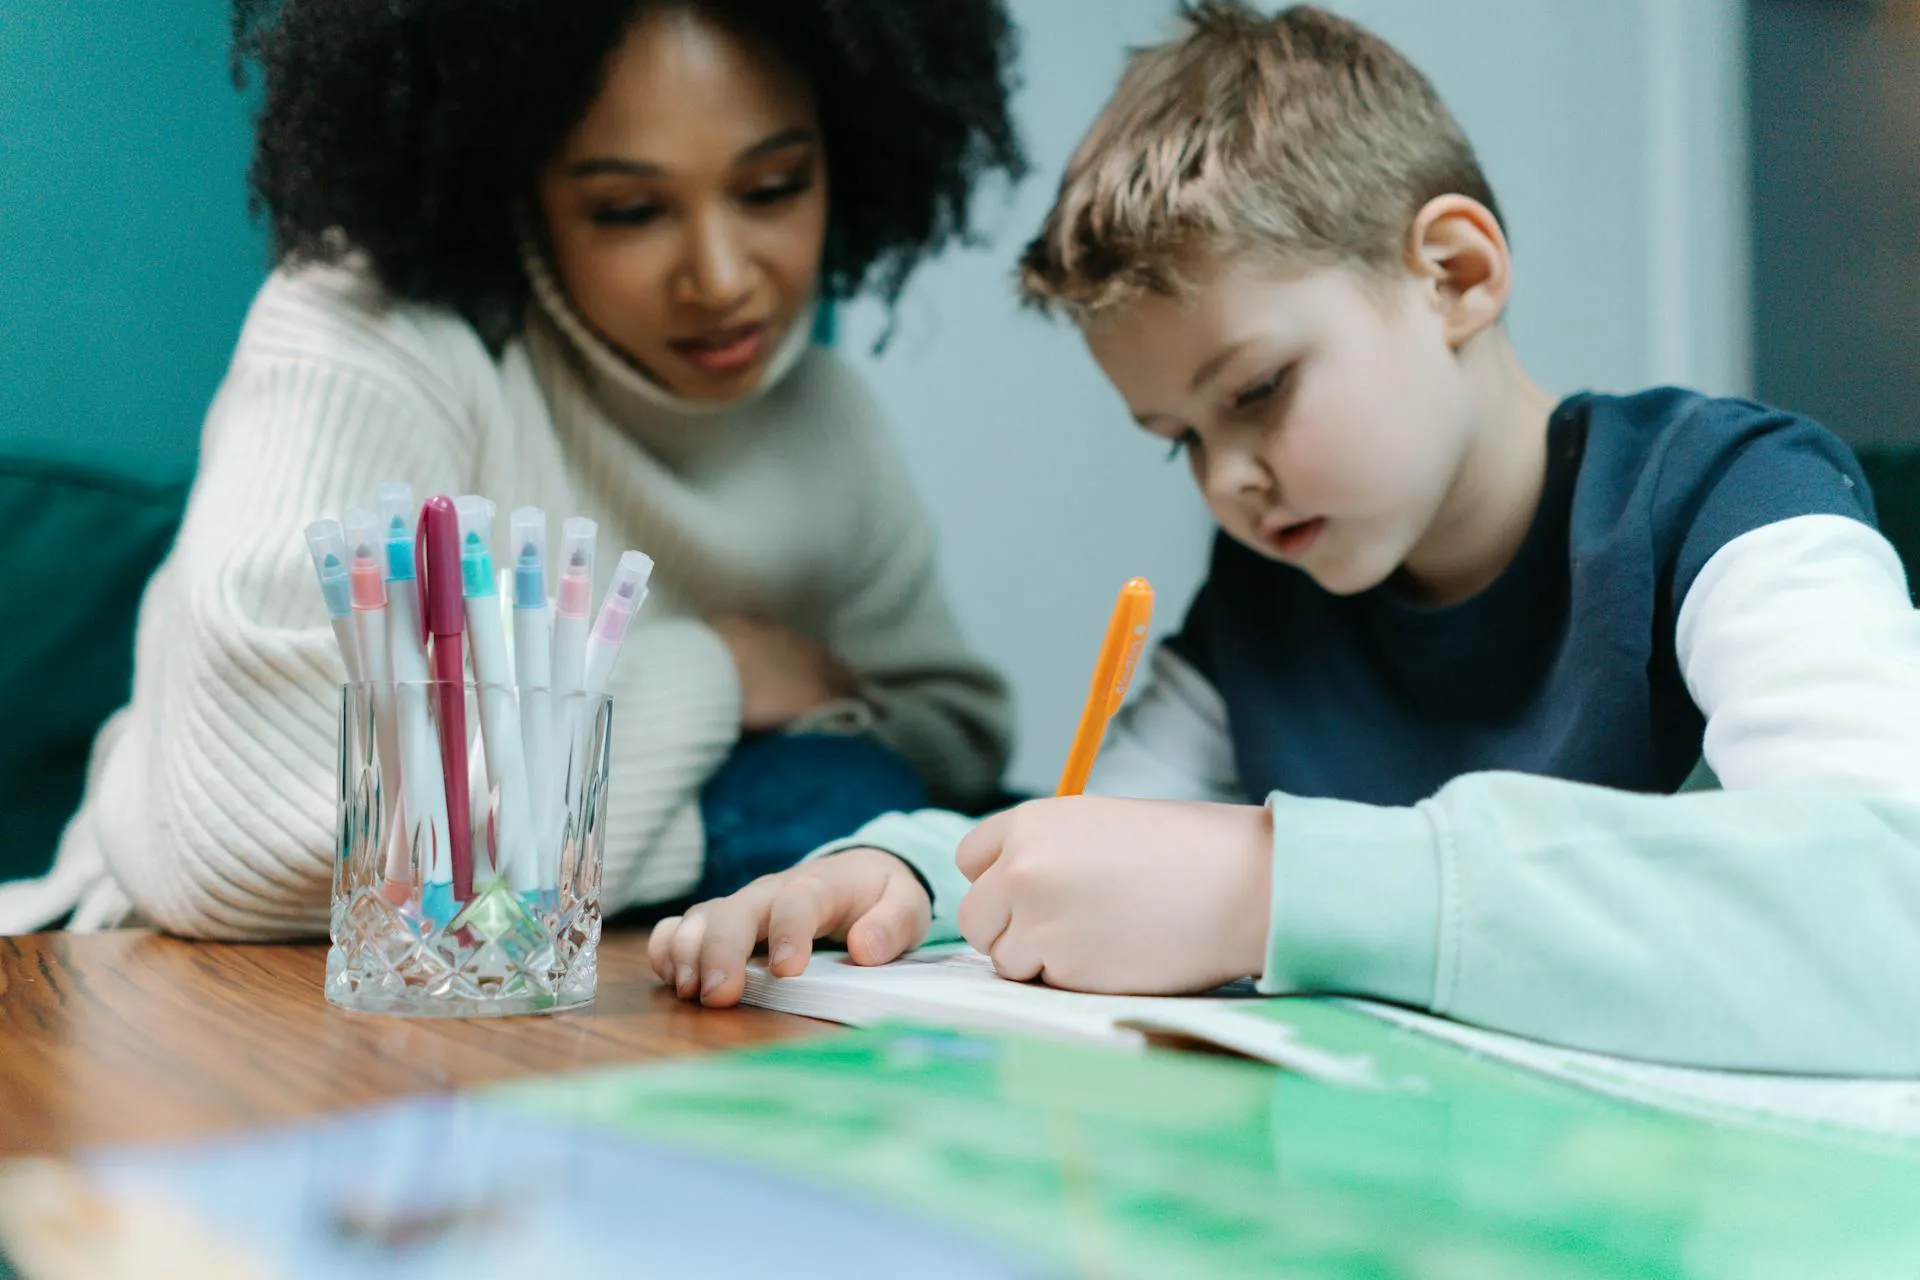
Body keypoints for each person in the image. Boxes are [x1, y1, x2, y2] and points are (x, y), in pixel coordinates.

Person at [650, 2, 1920, 1074]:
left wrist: (1266, 886)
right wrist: (909, 873)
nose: (1229, 482)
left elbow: (1893, 902)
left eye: (1256, 392)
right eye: (1179, 437)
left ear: (1457, 275)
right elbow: (1095, 846)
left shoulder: (1733, 502)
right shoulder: (1268, 594)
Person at [4, 0, 1027, 937]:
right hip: (185, 995)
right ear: (512, 181)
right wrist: (717, 678)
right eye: (629, 210)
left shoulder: (823, 414)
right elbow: (249, 843)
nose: (721, 277)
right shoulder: (366, 338)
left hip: (595, 976)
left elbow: (949, 740)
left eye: (772, 188)